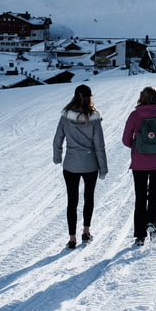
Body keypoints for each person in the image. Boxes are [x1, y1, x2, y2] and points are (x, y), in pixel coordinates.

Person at [53, 84, 108, 249]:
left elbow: (58, 139)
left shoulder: (65, 117)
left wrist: (57, 157)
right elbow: (99, 145)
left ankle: (72, 238)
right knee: (88, 197)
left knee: (72, 200)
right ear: (90, 97)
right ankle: (86, 231)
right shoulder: (94, 118)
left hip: (70, 164)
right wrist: (103, 168)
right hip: (90, 164)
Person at [122, 86, 156, 246]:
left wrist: (138, 146)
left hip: (139, 163)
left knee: (140, 198)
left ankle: (139, 236)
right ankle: (151, 222)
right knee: (155, 196)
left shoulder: (134, 116)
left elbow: (125, 140)